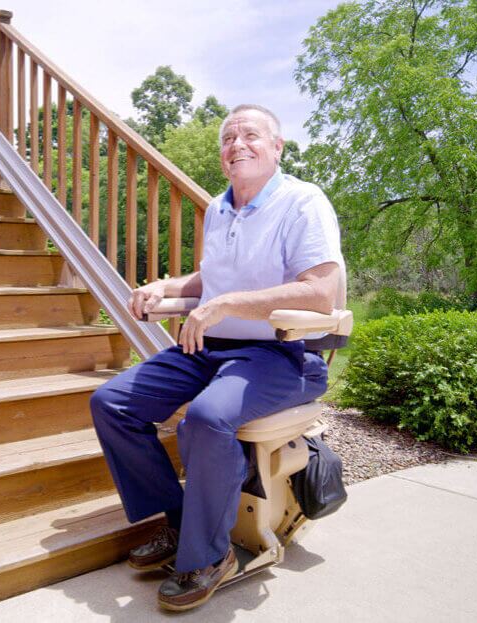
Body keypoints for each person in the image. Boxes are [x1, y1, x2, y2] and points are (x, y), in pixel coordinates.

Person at [90, 104, 345, 611]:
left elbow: (323, 292)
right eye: (228, 138)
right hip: (212, 350)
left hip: (284, 353)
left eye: (251, 135)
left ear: (277, 148)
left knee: (207, 417)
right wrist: (165, 286)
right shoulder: (220, 208)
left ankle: (208, 556)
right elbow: (213, 281)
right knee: (112, 402)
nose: (237, 144)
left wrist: (225, 305)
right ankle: (182, 524)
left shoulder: (302, 203)